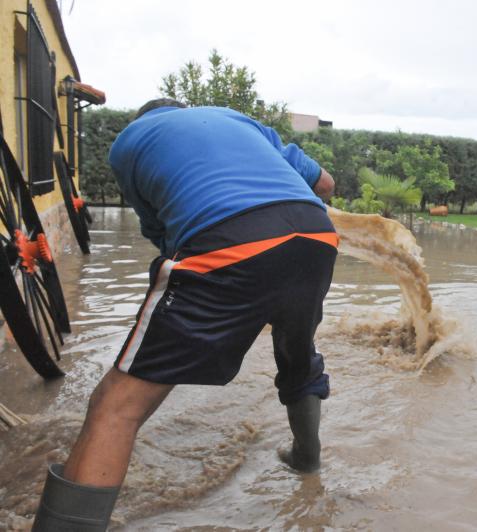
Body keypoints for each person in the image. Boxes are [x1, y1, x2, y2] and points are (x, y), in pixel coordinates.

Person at [32, 99, 338, 531]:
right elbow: (324, 183)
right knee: (297, 354)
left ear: (146, 119)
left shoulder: (126, 145)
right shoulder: (238, 120)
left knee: (114, 406)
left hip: (229, 236)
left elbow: (162, 235)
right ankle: (307, 460)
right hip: (317, 236)